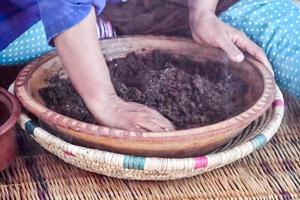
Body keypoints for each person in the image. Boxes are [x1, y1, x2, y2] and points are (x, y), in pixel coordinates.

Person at [0, 0, 298, 132]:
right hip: (50, 13)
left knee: (281, 33)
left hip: (168, 7)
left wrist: (202, 13)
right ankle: (92, 39)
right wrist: (106, 101)